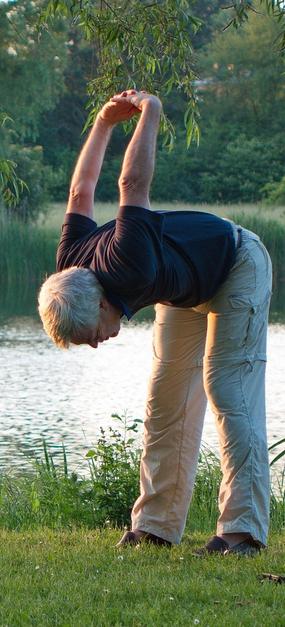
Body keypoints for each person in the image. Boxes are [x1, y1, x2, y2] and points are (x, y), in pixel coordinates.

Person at [38, 89, 272, 555]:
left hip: (237, 264)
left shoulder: (128, 263)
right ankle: (155, 526)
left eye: (90, 337)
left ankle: (243, 532)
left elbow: (132, 185)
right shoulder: (71, 264)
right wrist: (103, 123)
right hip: (185, 287)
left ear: (101, 304)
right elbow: (80, 191)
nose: (98, 344)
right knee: (165, 400)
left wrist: (151, 112)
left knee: (226, 387)